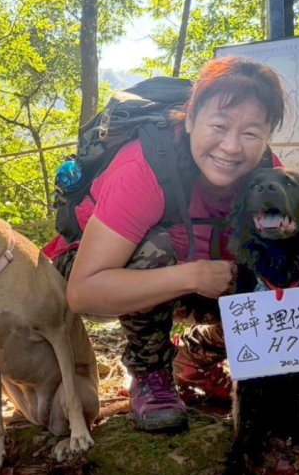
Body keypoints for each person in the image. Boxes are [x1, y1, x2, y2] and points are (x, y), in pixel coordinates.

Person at [42, 56, 286, 432]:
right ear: (189, 120)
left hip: (205, 273)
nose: (232, 147)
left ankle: (195, 358)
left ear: (268, 136)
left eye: (252, 133)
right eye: (219, 126)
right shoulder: (145, 167)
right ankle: (150, 373)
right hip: (96, 269)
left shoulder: (270, 176)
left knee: (270, 265)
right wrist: (192, 275)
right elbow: (84, 293)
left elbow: (297, 263)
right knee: (155, 249)